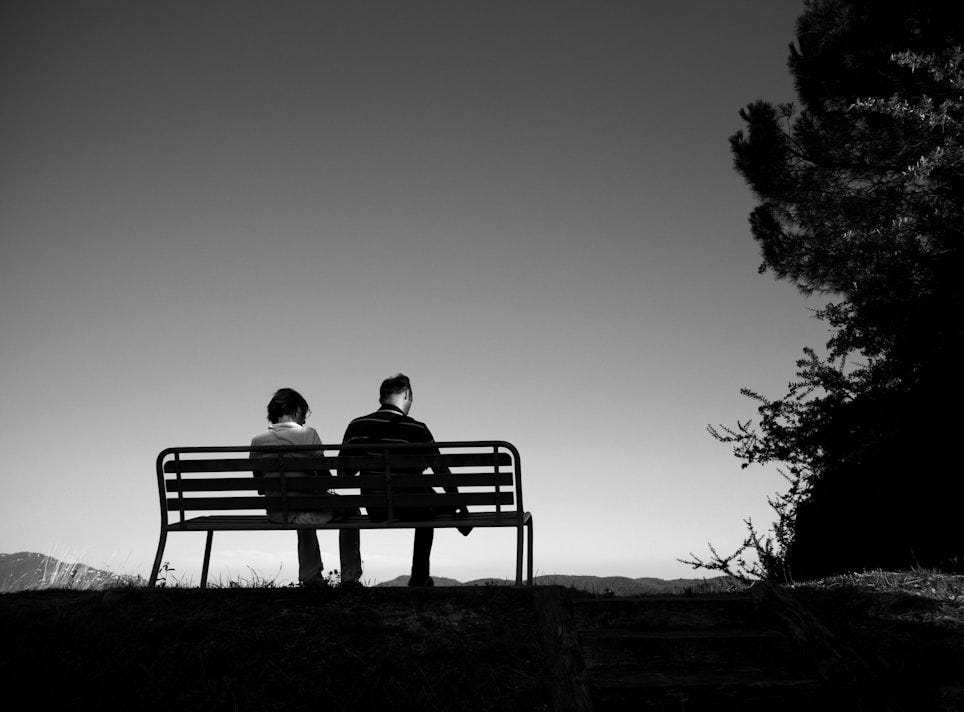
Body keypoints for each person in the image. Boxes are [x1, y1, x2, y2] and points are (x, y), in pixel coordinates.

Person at [340, 373, 470, 587]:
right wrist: (459, 502)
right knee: (429, 508)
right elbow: (441, 471)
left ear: (382, 398)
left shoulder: (357, 426)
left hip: (376, 507)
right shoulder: (417, 428)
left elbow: (344, 474)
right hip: (413, 506)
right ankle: (419, 577)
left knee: (427, 501)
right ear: (407, 394)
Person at [250, 388, 362, 586]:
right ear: (295, 410)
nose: (305, 419)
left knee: (302, 504)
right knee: (350, 510)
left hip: (277, 513)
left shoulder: (257, 441)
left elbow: (260, 485)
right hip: (311, 510)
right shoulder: (308, 435)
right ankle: (350, 577)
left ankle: (312, 577)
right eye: (304, 413)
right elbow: (324, 479)